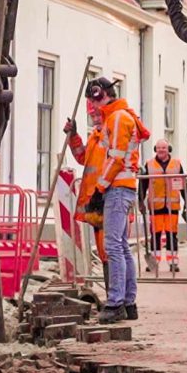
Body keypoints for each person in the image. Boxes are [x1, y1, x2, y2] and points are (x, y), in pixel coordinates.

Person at [84, 77, 150, 324]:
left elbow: (116, 157)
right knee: (121, 245)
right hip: (122, 187)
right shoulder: (119, 116)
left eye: (92, 102)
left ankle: (116, 303)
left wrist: (100, 188)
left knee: (113, 245)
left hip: (117, 187)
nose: (92, 108)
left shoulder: (119, 118)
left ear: (99, 95)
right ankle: (129, 302)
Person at [65, 100, 109, 287]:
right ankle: (114, 297)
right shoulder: (95, 137)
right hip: (96, 203)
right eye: (93, 116)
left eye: (99, 115)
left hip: (109, 201)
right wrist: (73, 136)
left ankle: (118, 300)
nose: (96, 119)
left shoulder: (111, 136)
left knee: (110, 251)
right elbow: (83, 157)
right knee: (103, 251)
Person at [138, 139, 187, 272]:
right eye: (158, 148)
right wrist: (140, 201)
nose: (161, 150)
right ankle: (154, 262)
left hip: (172, 206)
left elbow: (183, 184)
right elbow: (142, 185)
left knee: (171, 234)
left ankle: (173, 262)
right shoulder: (149, 165)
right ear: (155, 150)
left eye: (163, 148)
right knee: (155, 235)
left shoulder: (176, 164)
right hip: (155, 206)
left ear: (169, 149)